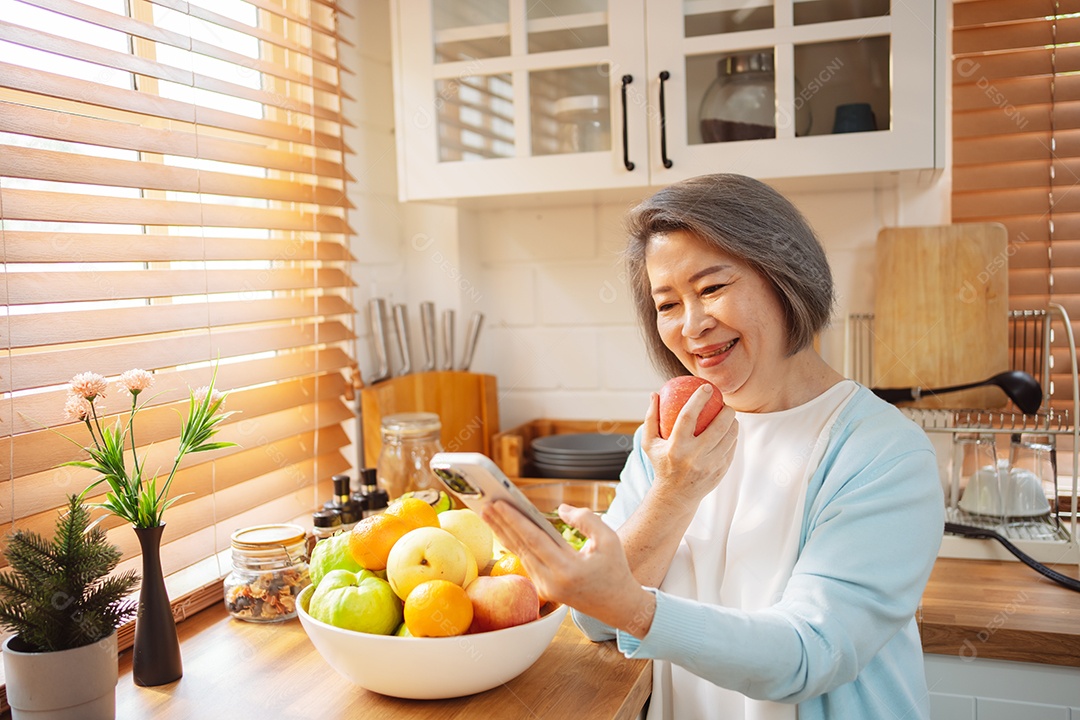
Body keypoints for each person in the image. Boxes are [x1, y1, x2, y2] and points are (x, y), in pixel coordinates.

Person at [481, 173, 945, 720]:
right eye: (668, 303)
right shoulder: (673, 432)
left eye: (712, 288)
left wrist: (635, 608)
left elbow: (808, 655)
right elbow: (599, 621)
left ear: (784, 277)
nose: (692, 325)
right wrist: (672, 494)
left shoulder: (882, 453)